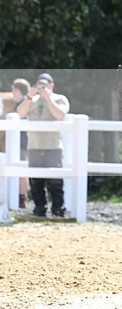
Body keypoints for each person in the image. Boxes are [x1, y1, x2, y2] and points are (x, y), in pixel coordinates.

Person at [16, 73, 70, 217]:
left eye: (45, 85)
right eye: (40, 85)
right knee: (36, 182)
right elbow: (20, 113)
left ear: (52, 85)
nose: (42, 88)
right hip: (34, 146)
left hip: (53, 146)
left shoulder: (60, 99)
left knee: (56, 182)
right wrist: (29, 96)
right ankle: (39, 209)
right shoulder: (31, 100)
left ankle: (58, 209)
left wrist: (48, 98)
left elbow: (60, 115)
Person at [11, 78, 30, 208]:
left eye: (13, 88)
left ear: (17, 90)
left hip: (22, 142)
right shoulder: (21, 103)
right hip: (21, 141)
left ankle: (22, 197)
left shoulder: (22, 104)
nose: (12, 91)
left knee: (22, 169)